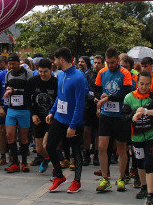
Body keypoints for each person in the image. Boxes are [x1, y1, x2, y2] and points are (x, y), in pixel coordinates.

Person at [46, 47, 86, 193]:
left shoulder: (79, 77)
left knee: (76, 151)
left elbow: (80, 104)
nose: (54, 62)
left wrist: (73, 125)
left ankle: (77, 181)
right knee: (50, 146)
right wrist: (52, 111)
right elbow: (60, 96)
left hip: (73, 122)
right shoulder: (61, 75)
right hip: (58, 118)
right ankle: (59, 176)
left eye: (55, 60)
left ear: (61, 59)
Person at [95, 47, 134, 192]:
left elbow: (127, 93)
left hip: (120, 116)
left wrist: (108, 98)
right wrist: (100, 97)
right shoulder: (102, 72)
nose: (110, 65)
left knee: (121, 148)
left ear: (118, 60)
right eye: (108, 62)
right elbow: (96, 89)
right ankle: (105, 178)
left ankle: (121, 178)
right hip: (106, 115)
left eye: (112, 62)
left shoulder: (125, 73)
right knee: (102, 146)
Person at [124, 70, 153, 205]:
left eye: (147, 84)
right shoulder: (129, 97)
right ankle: (143, 186)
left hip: (152, 136)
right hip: (136, 137)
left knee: (149, 164)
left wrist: (147, 112)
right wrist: (134, 116)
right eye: (141, 83)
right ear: (137, 82)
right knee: (140, 163)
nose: (144, 87)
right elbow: (124, 116)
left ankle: (150, 195)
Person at [3, 53, 33, 173]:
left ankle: (25, 162)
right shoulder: (8, 74)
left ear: (18, 62)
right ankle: (15, 163)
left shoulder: (27, 73)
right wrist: (7, 92)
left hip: (24, 109)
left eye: (14, 63)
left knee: (23, 137)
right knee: (10, 135)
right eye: (9, 64)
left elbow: (30, 91)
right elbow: (7, 88)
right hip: (12, 109)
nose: (11, 66)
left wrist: (15, 91)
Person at [28, 58, 58, 173]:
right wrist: (33, 114)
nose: (42, 74)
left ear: (50, 70)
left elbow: (60, 99)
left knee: (47, 145)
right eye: (40, 71)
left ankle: (56, 168)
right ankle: (46, 159)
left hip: (52, 118)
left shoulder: (56, 82)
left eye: (45, 71)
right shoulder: (32, 81)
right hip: (38, 118)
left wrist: (53, 114)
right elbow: (27, 99)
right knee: (39, 149)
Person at [84, 55, 103, 167]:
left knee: (97, 132)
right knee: (87, 131)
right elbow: (85, 90)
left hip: (101, 106)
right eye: (95, 63)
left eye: (99, 63)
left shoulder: (104, 74)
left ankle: (96, 154)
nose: (96, 65)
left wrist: (99, 99)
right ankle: (86, 153)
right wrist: (92, 98)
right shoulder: (87, 74)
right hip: (88, 106)